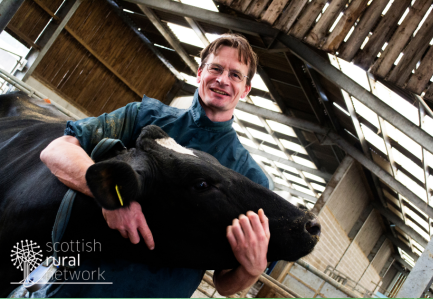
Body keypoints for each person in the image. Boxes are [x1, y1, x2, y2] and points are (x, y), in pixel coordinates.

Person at [40, 34, 271, 297]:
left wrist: (251, 270)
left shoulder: (249, 177)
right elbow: (57, 149)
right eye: (215, 68)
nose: (222, 80)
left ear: (246, 89)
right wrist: (112, 197)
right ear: (199, 73)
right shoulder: (143, 116)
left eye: (235, 75)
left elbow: (224, 283)